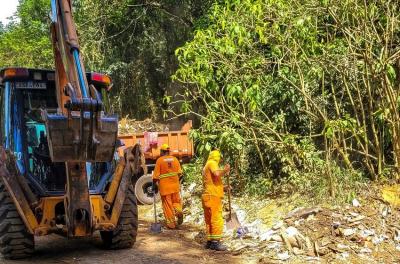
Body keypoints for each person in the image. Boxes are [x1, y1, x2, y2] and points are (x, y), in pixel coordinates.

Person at [202, 149, 230, 251]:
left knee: (209, 220)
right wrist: (225, 170)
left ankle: (210, 241)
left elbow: (212, 183)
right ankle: (215, 243)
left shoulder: (206, 166)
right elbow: (217, 174)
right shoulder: (212, 163)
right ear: (216, 157)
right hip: (213, 196)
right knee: (216, 219)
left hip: (208, 195)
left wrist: (224, 188)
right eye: (219, 158)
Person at [153, 143, 183, 229]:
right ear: (168, 151)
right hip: (175, 186)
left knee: (168, 206)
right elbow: (180, 173)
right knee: (176, 202)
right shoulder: (175, 159)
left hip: (165, 187)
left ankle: (171, 224)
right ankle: (179, 211)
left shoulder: (159, 160)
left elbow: (155, 176)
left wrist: (154, 185)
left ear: (162, 151)